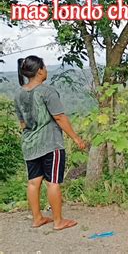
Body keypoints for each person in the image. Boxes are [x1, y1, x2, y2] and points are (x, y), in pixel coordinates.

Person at [14, 55, 86, 230]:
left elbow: (22, 123)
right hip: (50, 143)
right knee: (52, 182)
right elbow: (60, 117)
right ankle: (58, 221)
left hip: (29, 144)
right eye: (44, 67)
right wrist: (76, 138)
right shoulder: (47, 92)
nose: (46, 69)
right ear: (39, 71)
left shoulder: (19, 93)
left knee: (33, 182)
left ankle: (37, 218)